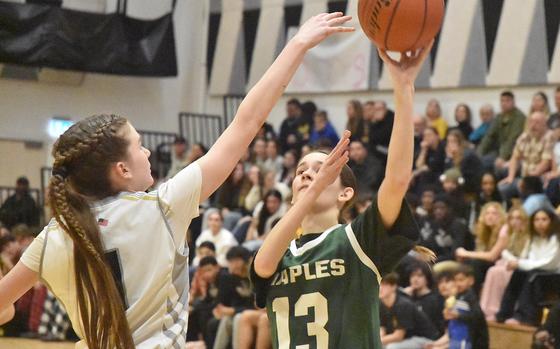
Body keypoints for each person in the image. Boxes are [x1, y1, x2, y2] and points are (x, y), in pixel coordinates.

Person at [0, 12, 354, 349]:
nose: (149, 154)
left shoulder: (55, 235)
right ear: (121, 169)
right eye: (140, 146)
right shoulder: (162, 207)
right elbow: (246, 122)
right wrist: (297, 46)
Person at [251, 41, 435, 348]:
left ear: (345, 193)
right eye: (301, 171)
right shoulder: (277, 250)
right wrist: (312, 190)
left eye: (322, 170)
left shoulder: (358, 239)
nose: (308, 174)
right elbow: (262, 266)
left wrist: (404, 89)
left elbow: (397, 179)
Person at [496, 208, 560, 325]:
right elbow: (527, 259)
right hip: (537, 272)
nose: (540, 223)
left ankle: (525, 317)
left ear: (551, 221)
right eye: (536, 220)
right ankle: (504, 314)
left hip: (554, 276)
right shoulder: (533, 238)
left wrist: (520, 264)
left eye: (544, 219)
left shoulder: (556, 239)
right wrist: (515, 263)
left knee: (532, 276)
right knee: (519, 273)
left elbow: (549, 263)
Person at [479, 207, 529, 321]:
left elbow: (525, 255)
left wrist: (513, 261)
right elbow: (505, 252)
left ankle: (494, 310)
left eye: (518, 218)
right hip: (508, 263)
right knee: (494, 270)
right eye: (512, 218)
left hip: (520, 266)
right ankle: (485, 310)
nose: (515, 221)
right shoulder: (511, 234)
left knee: (496, 272)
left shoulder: (528, 236)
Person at [455, 202, 507, 294]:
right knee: (467, 262)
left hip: (503, 265)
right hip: (490, 264)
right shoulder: (484, 232)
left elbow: (492, 256)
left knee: (476, 263)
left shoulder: (504, 230)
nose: (490, 216)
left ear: (501, 216)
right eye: (487, 213)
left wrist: (466, 253)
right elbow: (480, 252)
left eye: (494, 213)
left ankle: (472, 296)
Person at [379, 273, 440, 349]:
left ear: (393, 286)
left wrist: (378, 341)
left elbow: (398, 336)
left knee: (392, 347)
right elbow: (382, 327)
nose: (380, 288)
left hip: (424, 338)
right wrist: (379, 340)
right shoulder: (382, 304)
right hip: (407, 338)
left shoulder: (403, 304)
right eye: (379, 285)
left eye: (384, 285)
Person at [444, 265, 489, 349]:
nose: (457, 284)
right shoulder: (456, 296)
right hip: (457, 338)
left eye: (461, 280)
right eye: (455, 280)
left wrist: (458, 316)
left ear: (471, 281)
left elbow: (477, 316)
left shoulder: (470, 296)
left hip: (470, 340)